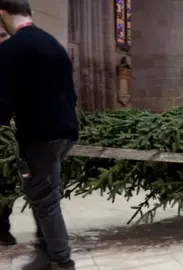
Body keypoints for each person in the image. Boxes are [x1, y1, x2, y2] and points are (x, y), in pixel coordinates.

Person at [0, 0, 79, 269]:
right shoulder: (52, 43)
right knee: (42, 194)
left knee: (45, 200)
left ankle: (61, 262)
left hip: (40, 135)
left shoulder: (13, 48)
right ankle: (46, 251)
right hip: (65, 132)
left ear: (3, 14)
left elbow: (3, 99)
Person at [0, 24, 17, 247]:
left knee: (6, 182)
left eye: (4, 35)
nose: (3, 39)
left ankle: (2, 228)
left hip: (4, 133)